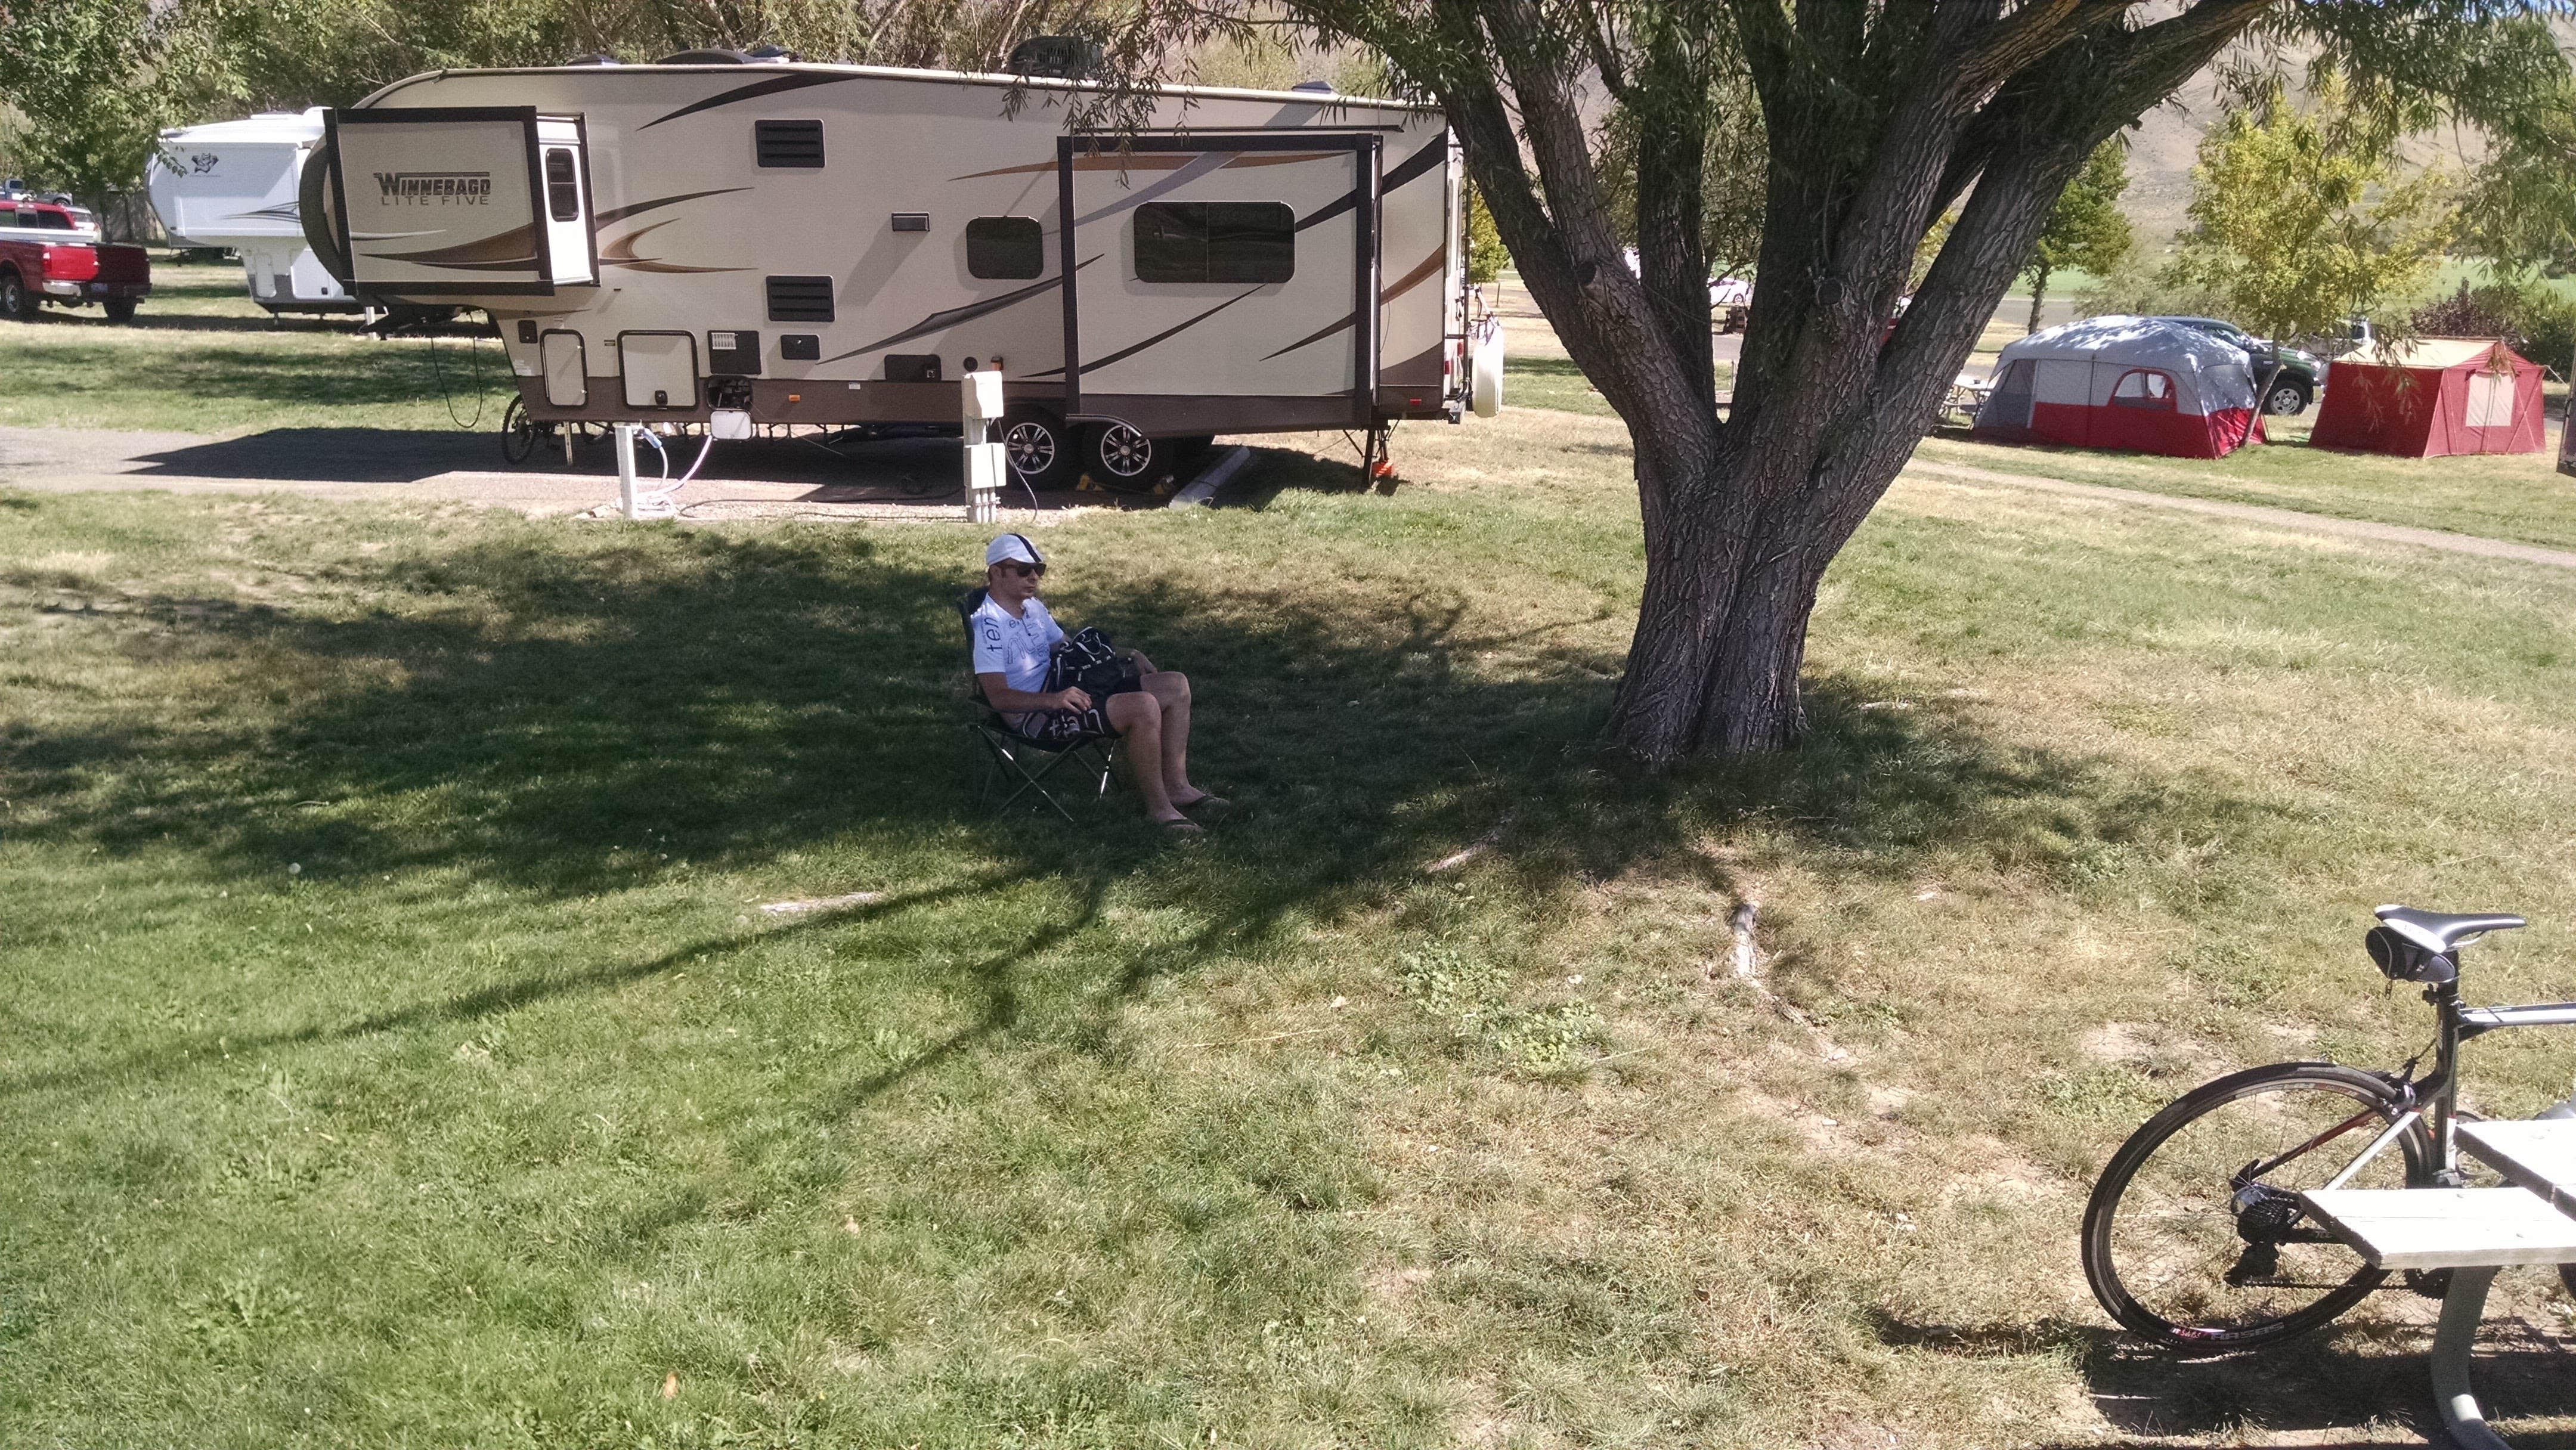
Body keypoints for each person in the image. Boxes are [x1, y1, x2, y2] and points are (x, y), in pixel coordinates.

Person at [970, 533, 1225, 831]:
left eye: (1039, 570)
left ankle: (1178, 787)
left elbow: (1067, 648)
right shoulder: (988, 627)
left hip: (1065, 691)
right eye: (1024, 570)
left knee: (1175, 685)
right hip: (1038, 717)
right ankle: (1160, 810)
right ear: (996, 572)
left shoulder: (1032, 608)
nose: (1034, 578)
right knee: (1142, 707)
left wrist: (1125, 655)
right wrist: (1054, 700)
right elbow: (998, 698)